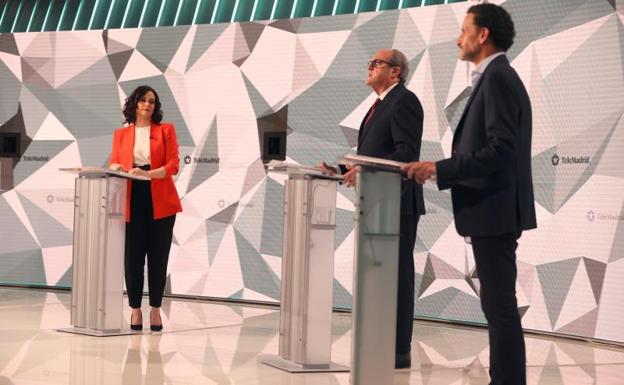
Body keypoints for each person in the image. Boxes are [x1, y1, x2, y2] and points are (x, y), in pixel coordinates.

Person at [402, 4, 536, 384]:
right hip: (490, 211)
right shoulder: (494, 77)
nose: (458, 39)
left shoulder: (498, 78)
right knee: (497, 305)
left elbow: (500, 151)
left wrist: (440, 168)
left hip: (494, 211)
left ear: (483, 35)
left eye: (464, 30)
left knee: (500, 307)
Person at [323, 48, 425, 369]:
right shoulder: (379, 105)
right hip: (378, 202)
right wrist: (339, 172)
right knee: (381, 277)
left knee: (398, 277)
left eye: (375, 63)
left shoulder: (404, 101)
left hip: (398, 201)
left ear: (395, 72)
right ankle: (380, 342)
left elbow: (406, 152)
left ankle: (399, 350)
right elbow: (372, 156)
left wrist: (364, 172)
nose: (369, 67)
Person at [109, 85, 182, 332]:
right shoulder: (121, 134)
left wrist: (147, 173)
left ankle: (155, 310)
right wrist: (117, 168)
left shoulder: (166, 130)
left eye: (152, 101)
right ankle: (135, 310)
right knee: (133, 258)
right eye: (142, 100)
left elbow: (173, 165)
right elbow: (114, 161)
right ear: (134, 104)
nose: (147, 104)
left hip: (160, 198)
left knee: (158, 258)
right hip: (131, 198)